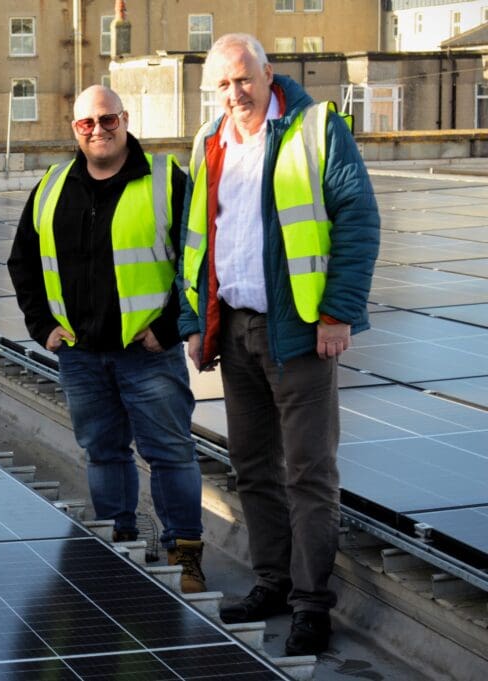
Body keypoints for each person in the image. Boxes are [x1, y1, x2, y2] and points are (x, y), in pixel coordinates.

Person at [179, 34, 380, 655]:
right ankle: (271, 580)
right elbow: (197, 240)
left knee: (309, 473)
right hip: (233, 332)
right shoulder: (209, 142)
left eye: (243, 79)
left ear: (268, 74)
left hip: (298, 332)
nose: (234, 93)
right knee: (253, 468)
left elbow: (358, 218)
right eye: (222, 84)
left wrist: (337, 312)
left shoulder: (316, 128)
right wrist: (196, 322)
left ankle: (311, 604)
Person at [8, 84, 205, 593]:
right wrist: (40, 325)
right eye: (86, 124)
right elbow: (22, 261)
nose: (98, 130)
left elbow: (199, 259)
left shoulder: (165, 180)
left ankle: (184, 555)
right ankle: (121, 540)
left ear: (125, 119)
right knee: (104, 453)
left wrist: (169, 328)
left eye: (108, 120)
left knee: (170, 454)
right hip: (81, 356)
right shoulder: (52, 185)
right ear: (74, 129)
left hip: (147, 356)